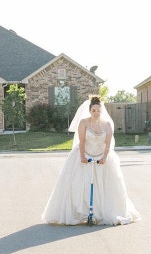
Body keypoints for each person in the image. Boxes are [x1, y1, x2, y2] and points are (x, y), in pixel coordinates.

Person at [42, 96, 141, 225]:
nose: (96, 113)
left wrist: (104, 158)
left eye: (98, 111)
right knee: (79, 184)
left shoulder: (107, 124)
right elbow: (82, 141)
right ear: (90, 110)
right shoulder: (83, 123)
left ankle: (101, 213)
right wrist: (82, 156)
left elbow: (108, 144)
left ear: (101, 111)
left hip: (101, 156)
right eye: (93, 111)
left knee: (106, 185)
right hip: (85, 155)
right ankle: (80, 212)